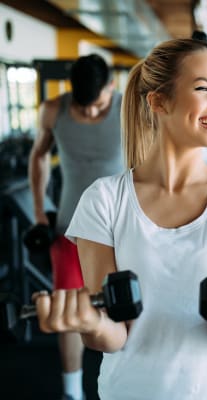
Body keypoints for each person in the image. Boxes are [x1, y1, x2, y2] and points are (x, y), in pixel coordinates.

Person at [33, 38, 207, 400]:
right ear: (158, 101)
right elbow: (113, 337)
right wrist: (89, 321)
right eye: (203, 89)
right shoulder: (104, 200)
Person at [28, 53, 124, 400]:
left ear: (111, 87)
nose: (90, 113)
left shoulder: (130, 108)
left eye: (98, 105)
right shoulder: (54, 109)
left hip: (123, 228)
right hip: (71, 229)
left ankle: (127, 382)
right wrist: (41, 211)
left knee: (127, 305)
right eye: (83, 107)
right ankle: (72, 391)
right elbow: (38, 156)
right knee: (69, 309)